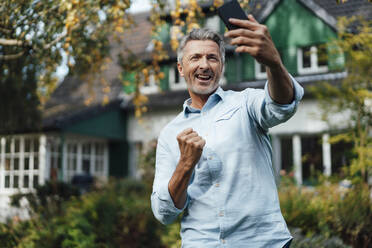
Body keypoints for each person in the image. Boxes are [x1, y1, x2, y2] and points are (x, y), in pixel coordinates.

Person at [151, 15, 303, 248]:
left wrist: (273, 63)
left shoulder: (245, 103)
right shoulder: (170, 133)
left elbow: (281, 106)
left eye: (212, 58)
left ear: (222, 67)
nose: (204, 65)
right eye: (195, 58)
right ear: (181, 68)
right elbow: (164, 212)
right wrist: (185, 165)